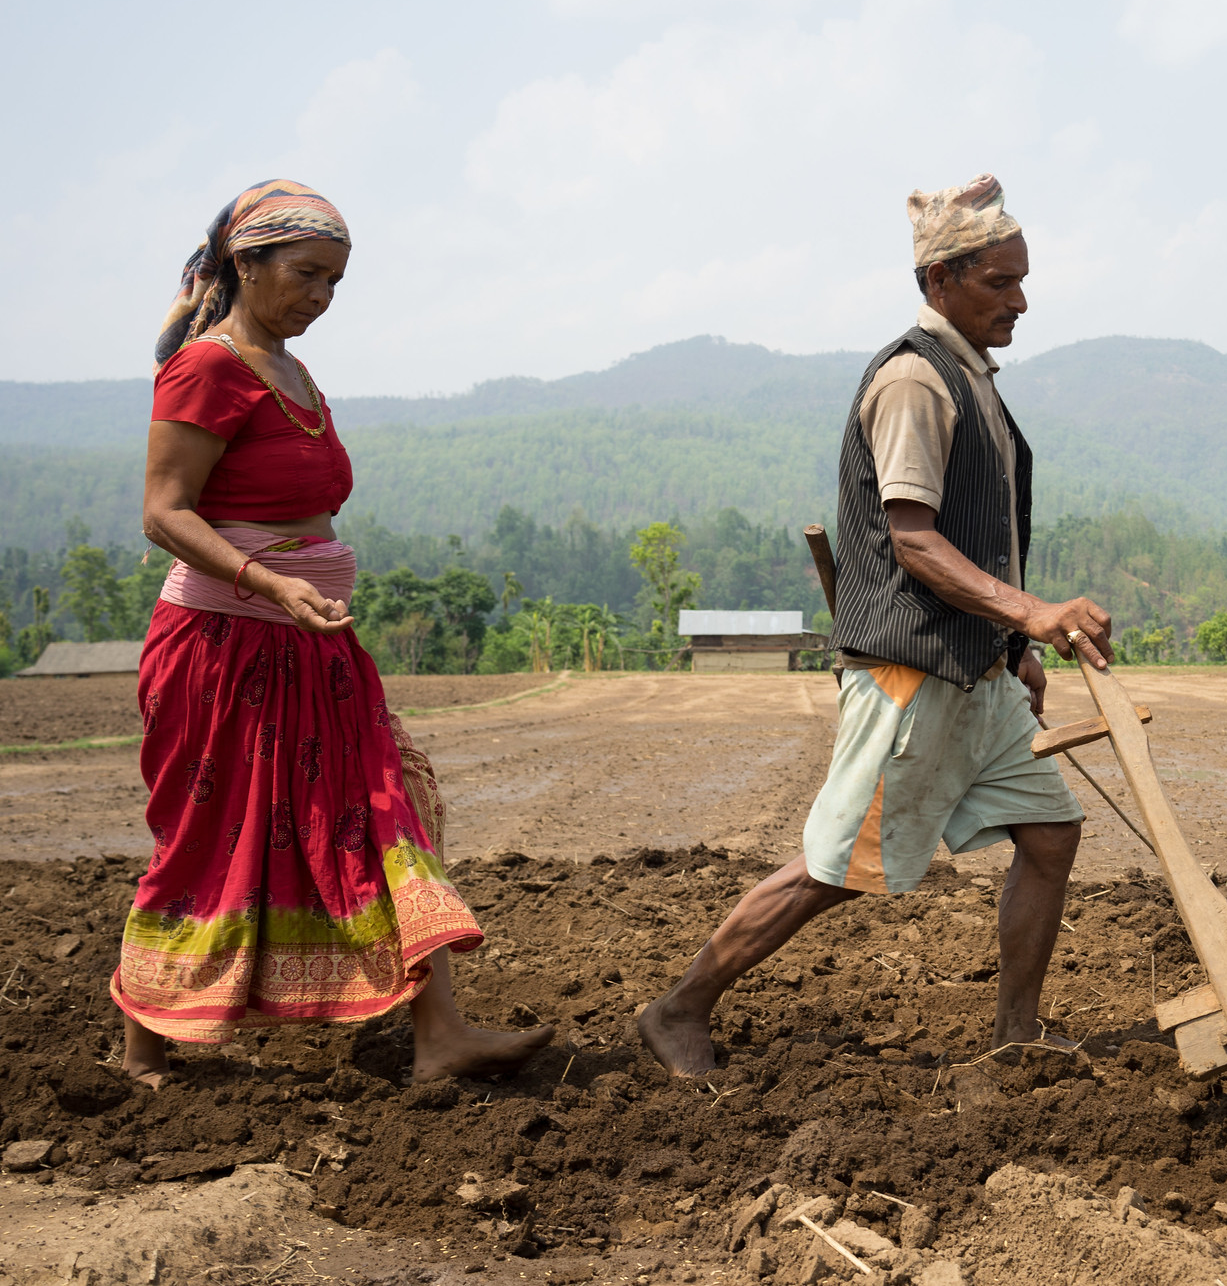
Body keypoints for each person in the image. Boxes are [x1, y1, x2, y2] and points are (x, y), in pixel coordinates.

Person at [640, 174, 1116, 1075]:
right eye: (998, 283)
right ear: (939, 282)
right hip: (910, 671)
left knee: (1051, 834)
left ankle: (1015, 1031)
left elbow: (981, 539)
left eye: (1022, 280)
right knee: (835, 868)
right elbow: (913, 542)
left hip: (976, 675)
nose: (1021, 300)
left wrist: (1016, 647)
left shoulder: (973, 381)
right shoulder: (913, 381)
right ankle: (677, 1008)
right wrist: (1034, 613)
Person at [115, 179, 554, 1086]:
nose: (320, 298)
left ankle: (441, 1036)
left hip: (311, 643)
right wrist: (270, 581)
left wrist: (299, 591)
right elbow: (164, 511)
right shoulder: (207, 367)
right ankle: (142, 1043)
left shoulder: (293, 371)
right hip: (222, 648)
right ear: (247, 263)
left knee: (381, 808)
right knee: (209, 835)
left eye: (335, 283)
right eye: (307, 275)